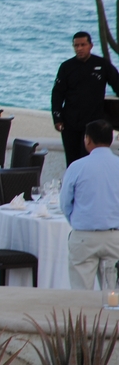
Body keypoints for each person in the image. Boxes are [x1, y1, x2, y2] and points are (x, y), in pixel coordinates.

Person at [59, 120, 119, 290]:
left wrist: (77, 221)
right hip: (115, 237)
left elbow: (65, 202)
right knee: (114, 295)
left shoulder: (77, 166)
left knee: (81, 294)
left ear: (88, 140)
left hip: (84, 236)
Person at [51, 31, 119, 165]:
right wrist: (57, 118)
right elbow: (57, 93)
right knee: (72, 161)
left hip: (93, 123)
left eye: (83, 45)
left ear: (90, 46)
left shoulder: (102, 65)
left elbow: (117, 84)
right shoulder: (66, 67)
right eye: (76, 46)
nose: (79, 48)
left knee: (90, 161)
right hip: (70, 123)